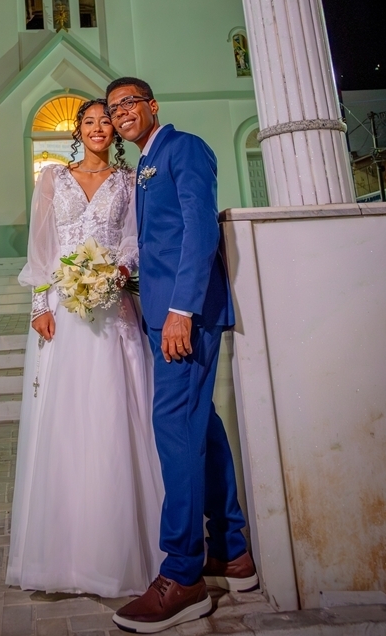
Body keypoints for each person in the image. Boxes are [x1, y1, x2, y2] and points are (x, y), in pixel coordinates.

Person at [107, 78, 257, 634]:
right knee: (203, 426)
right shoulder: (148, 161)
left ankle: (184, 576)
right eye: (114, 106)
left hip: (183, 320)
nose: (122, 112)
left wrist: (182, 310)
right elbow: (159, 241)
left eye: (130, 103)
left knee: (173, 428)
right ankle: (233, 552)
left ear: (152, 106)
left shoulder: (183, 147)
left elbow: (199, 230)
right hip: (162, 316)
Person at [7, 100, 163, 597]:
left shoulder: (126, 180)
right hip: (65, 310)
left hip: (114, 309)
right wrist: (39, 305)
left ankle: (122, 548)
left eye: (105, 122)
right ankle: (65, 553)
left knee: (116, 414)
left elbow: (135, 240)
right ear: (78, 130)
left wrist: (119, 272)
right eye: (89, 122)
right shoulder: (53, 178)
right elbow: (41, 248)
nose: (98, 128)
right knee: (69, 420)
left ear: (115, 129)